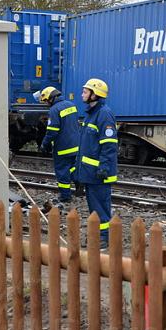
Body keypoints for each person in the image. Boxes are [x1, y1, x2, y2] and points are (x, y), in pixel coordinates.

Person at [74, 78, 118, 248]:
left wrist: (104, 168)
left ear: (95, 94)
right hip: (89, 173)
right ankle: (97, 236)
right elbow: (85, 147)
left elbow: (109, 145)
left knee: (100, 207)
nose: (82, 94)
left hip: (99, 173)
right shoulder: (91, 114)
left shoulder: (104, 114)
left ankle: (104, 238)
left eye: (85, 91)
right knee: (94, 207)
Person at [36, 86, 80, 207]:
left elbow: (52, 131)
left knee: (62, 171)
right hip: (76, 144)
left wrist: (44, 144)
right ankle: (78, 180)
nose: (46, 103)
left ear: (51, 97)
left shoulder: (54, 110)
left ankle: (65, 196)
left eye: (46, 100)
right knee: (72, 167)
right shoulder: (71, 105)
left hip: (63, 147)